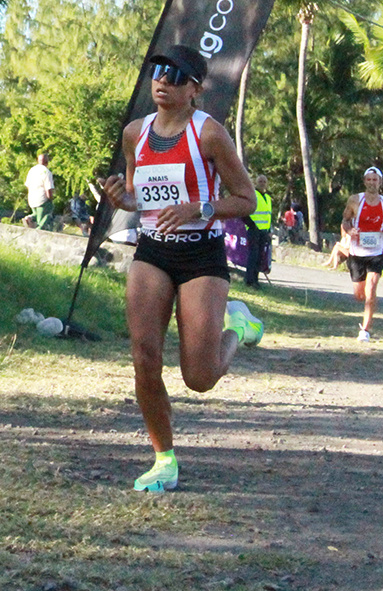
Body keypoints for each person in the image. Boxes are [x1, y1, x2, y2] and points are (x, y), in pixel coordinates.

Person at [99, 44, 263, 493]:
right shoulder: (136, 133)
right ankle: (163, 459)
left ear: (195, 89)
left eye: (175, 76)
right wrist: (122, 198)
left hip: (201, 256)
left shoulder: (209, 135)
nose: (163, 82)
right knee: (144, 358)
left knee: (200, 377)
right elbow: (139, 197)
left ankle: (239, 327)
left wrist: (199, 208)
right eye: (158, 72)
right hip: (153, 252)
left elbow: (246, 199)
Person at [341, 166, 383, 342]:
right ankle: (368, 304)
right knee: (360, 294)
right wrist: (350, 231)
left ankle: (365, 329)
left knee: (371, 289)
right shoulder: (355, 200)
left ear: (380, 182)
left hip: (377, 252)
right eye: (369, 180)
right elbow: (345, 220)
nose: (372, 183)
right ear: (365, 181)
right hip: (357, 253)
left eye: (375, 180)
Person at [244, 174, 273, 287]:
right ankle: (249, 280)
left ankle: (255, 280)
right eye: (260, 181)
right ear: (256, 182)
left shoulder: (268, 198)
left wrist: (269, 231)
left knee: (260, 257)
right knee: (253, 256)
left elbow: (268, 216)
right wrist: (252, 225)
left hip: (264, 232)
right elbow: (244, 212)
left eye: (264, 181)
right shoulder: (253, 195)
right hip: (254, 231)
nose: (262, 183)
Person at [25, 152, 55, 230]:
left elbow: (28, 185)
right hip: (42, 199)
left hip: (31, 198)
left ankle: (29, 218)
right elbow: (48, 188)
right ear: (47, 162)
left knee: (36, 213)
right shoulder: (46, 172)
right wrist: (50, 199)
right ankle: (39, 230)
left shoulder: (32, 170)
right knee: (46, 215)